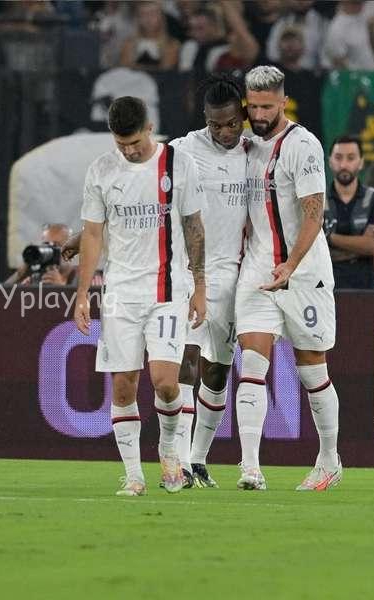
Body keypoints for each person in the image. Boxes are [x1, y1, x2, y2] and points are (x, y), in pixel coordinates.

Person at [74, 96, 206, 497]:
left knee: (165, 382)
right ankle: (133, 475)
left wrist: (200, 287)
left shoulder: (179, 164)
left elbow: (194, 228)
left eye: (134, 142)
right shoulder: (101, 170)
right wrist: (82, 292)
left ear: (150, 128)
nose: (129, 151)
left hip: (168, 290)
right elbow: (92, 234)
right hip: (120, 293)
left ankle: (169, 449)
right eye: (121, 144)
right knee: (123, 387)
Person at [236, 65, 341, 492]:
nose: (259, 114)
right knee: (251, 364)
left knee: (313, 372)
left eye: (267, 106)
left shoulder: (304, 146)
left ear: (283, 101)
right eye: (253, 106)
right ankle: (250, 468)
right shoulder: (243, 146)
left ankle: (329, 459)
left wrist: (291, 264)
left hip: (304, 274)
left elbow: (315, 213)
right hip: (258, 272)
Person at [169, 75, 249, 488]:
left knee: (217, 373)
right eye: (215, 124)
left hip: (233, 278)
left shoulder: (255, 154)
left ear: (243, 116)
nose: (224, 131)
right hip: (189, 274)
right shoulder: (183, 150)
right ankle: (180, 462)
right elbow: (139, 183)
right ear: (205, 118)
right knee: (186, 360)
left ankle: (198, 459)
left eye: (231, 123)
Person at [324, 135, 374, 289]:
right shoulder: (318, 199)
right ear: (330, 161)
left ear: (361, 162)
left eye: (351, 158)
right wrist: (358, 247)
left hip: (366, 289)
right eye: (338, 158)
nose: (343, 164)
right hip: (327, 288)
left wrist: (329, 238)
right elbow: (311, 250)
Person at [5, 223, 76, 286]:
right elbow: (1, 294)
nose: (50, 250)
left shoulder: (79, 277)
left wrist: (61, 288)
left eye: (56, 245)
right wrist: (20, 276)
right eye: (46, 245)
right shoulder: (35, 276)